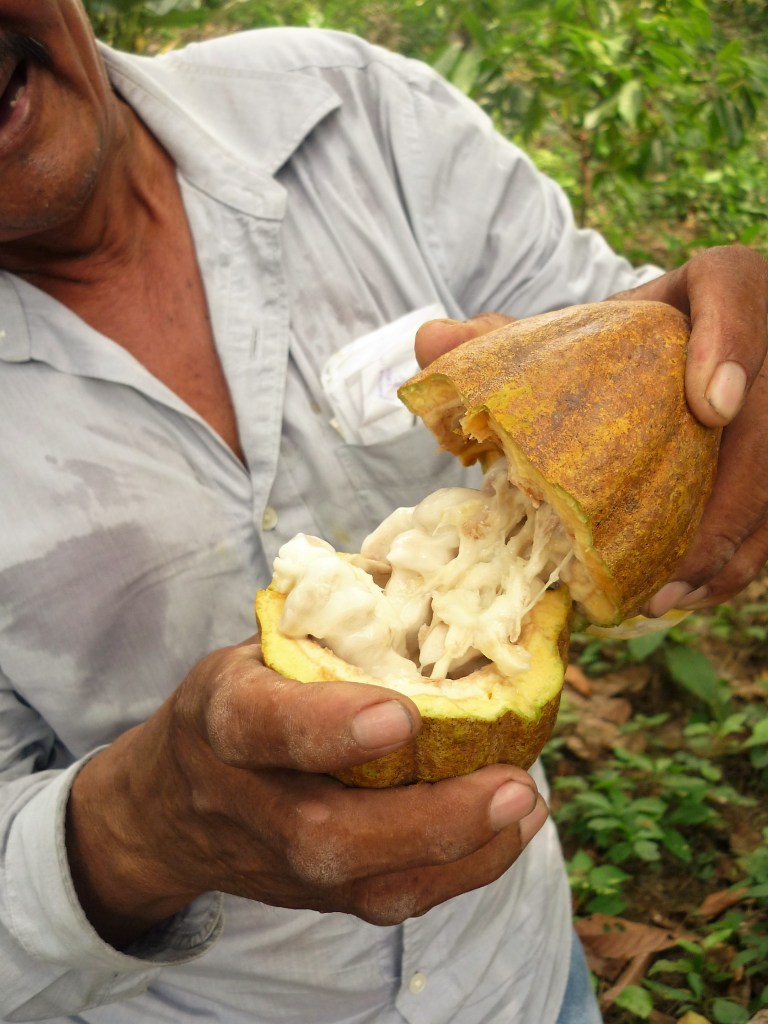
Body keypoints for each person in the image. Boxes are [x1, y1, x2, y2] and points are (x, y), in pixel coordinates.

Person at [0, 2, 766, 1022]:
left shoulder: (358, 110)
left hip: (521, 982)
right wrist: (139, 828)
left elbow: (631, 339)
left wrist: (712, 371)